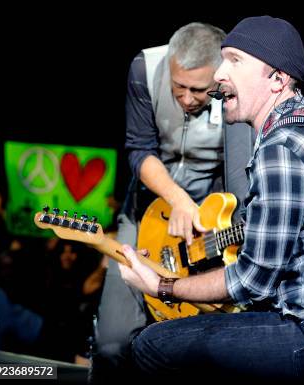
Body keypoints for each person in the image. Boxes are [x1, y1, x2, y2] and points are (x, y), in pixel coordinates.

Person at [118, 16, 304, 383]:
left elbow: (252, 280)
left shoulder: (282, 146)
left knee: (152, 346)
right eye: (222, 60)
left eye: (236, 61)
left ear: (277, 79)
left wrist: (162, 285)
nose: (220, 74)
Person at [92, 22, 253, 382]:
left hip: (208, 221)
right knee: (112, 343)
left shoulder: (238, 84)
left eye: (198, 90)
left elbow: (240, 177)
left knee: (198, 349)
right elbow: (138, 149)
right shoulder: (144, 67)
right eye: (178, 86)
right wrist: (177, 199)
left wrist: (221, 232)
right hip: (145, 208)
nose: (186, 98)